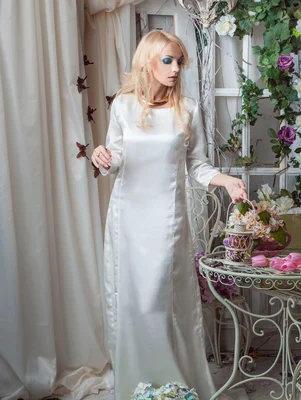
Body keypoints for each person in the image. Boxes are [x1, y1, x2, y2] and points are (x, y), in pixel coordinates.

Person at [91, 30, 247, 399]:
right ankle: (136, 387)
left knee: (160, 300)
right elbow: (116, 160)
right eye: (168, 60)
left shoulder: (187, 108)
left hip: (168, 220)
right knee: (133, 302)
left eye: (179, 61)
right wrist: (103, 157)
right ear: (148, 62)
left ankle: (171, 386)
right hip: (128, 218)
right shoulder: (123, 106)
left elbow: (197, 165)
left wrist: (226, 180)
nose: (176, 68)